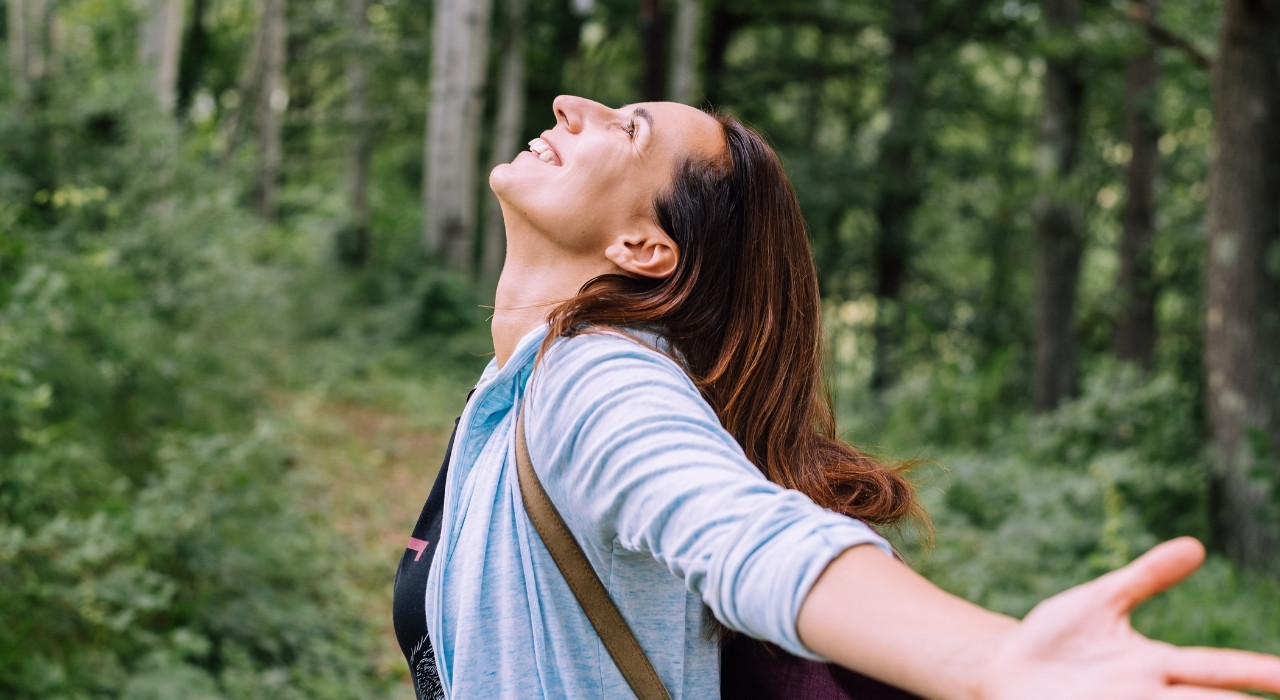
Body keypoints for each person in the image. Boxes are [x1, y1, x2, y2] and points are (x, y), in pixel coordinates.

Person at [392, 95, 1280, 700]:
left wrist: (993, 664)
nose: (569, 107)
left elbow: (749, 535)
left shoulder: (595, 379)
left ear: (644, 246)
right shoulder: (510, 388)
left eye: (622, 130)